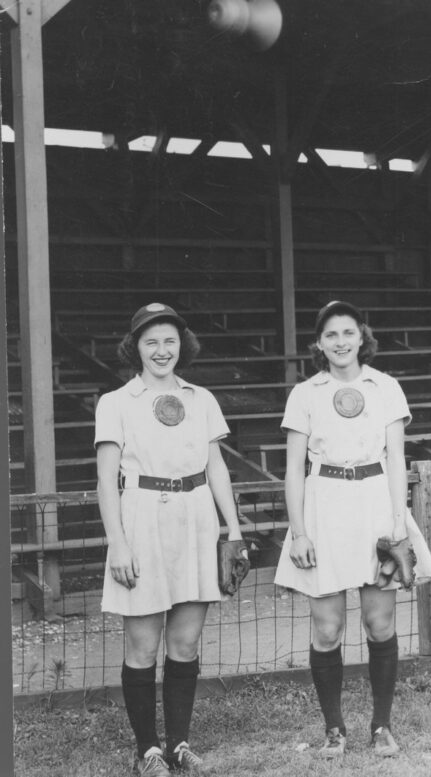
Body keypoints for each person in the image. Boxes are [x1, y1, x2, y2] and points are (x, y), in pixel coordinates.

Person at [273, 300, 431, 762]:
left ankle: (382, 726)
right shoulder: (305, 393)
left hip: (374, 503)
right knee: (327, 629)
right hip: (323, 505)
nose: (341, 341)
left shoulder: (385, 386)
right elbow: (293, 469)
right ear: (319, 343)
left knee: (378, 622)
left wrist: (397, 521)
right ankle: (334, 729)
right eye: (331, 334)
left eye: (348, 332)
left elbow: (396, 459)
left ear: (362, 337)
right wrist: (299, 532)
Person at [96, 303, 247, 776]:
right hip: (141, 519)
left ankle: (179, 744)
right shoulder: (116, 402)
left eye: (170, 341)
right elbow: (106, 481)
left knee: (184, 643)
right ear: (135, 347)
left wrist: (234, 528)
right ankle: (148, 750)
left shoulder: (201, 399)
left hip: (196, 517)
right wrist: (118, 543)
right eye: (151, 342)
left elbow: (216, 466)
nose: (162, 351)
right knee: (142, 646)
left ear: (183, 344)